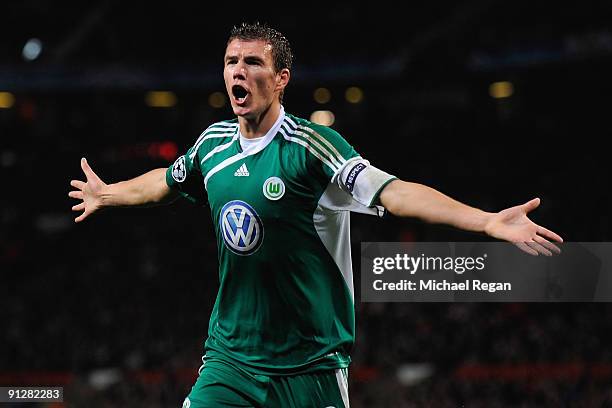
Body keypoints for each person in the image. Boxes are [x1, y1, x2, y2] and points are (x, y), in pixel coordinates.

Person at [69, 22, 563, 408]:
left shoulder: (311, 148)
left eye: (252, 62)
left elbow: (392, 192)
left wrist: (486, 221)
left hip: (312, 366)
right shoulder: (212, 145)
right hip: (231, 360)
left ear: (281, 78)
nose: (238, 72)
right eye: (230, 62)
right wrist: (109, 193)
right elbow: (166, 181)